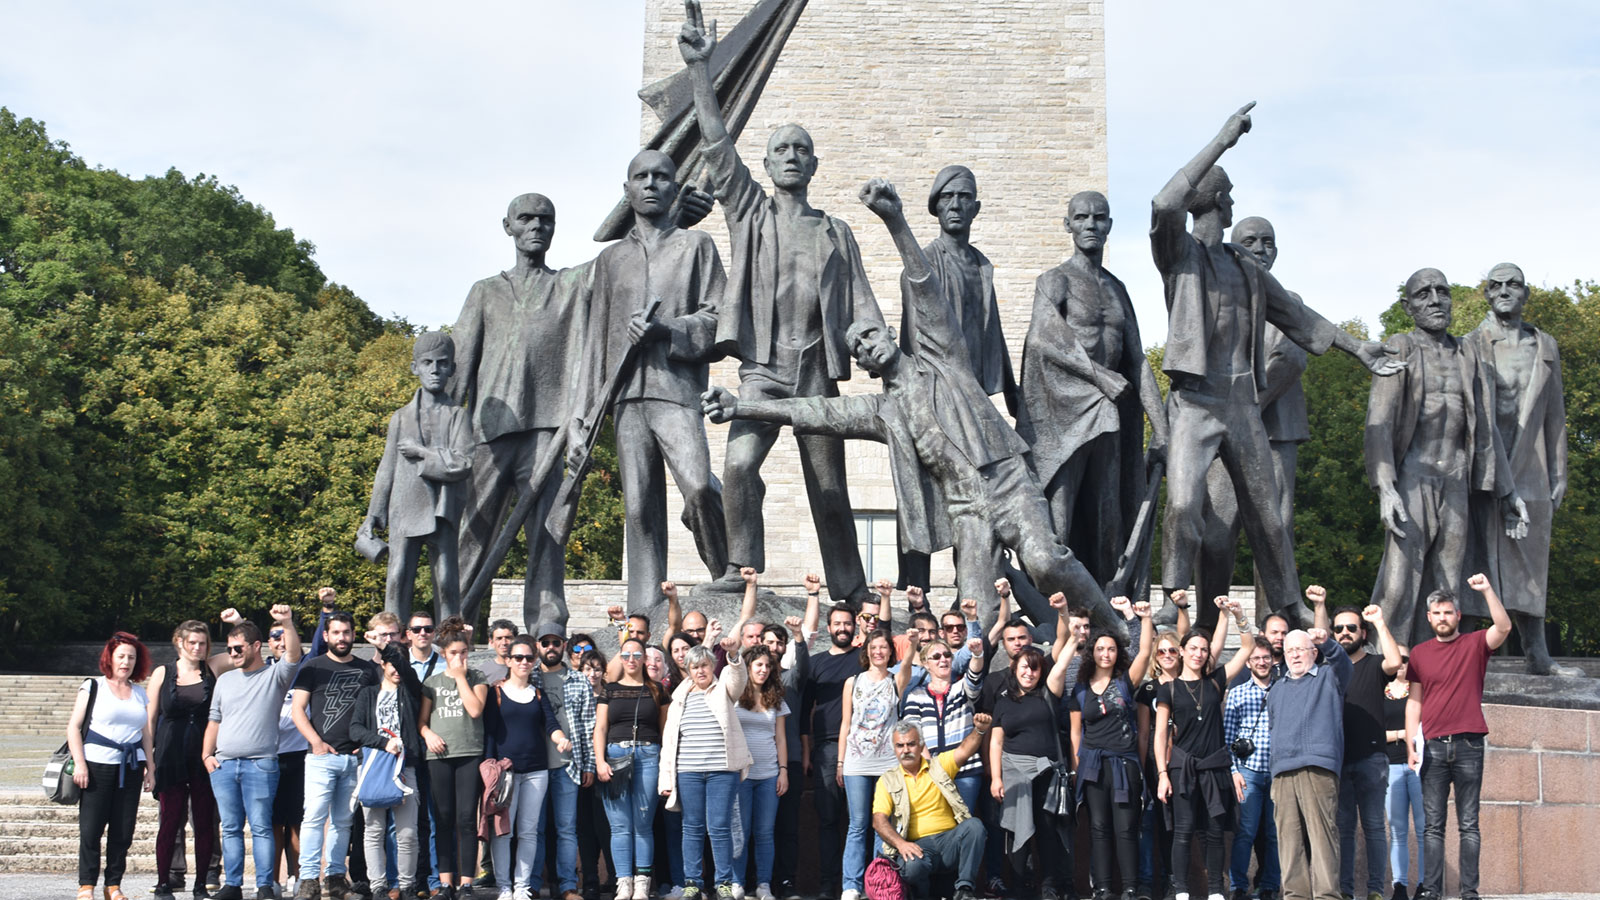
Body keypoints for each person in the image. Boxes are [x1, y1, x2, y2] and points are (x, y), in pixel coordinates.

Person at [702, 178, 1117, 636]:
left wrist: (895, 220)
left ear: (889, 336)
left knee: (1044, 559)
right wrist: (740, 407)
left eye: (871, 335)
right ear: (861, 362)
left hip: (1007, 482)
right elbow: (811, 411)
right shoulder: (884, 411)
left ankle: (1114, 629)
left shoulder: (944, 359)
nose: (867, 345)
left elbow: (925, 287)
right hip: (968, 510)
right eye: (859, 346)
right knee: (973, 610)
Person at [1151, 102, 1405, 630]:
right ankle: (1175, 592)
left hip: (1241, 402)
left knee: (1269, 518)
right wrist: (1221, 140)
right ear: (1215, 199)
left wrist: (1358, 349)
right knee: (1181, 504)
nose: (1233, 199)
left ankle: (1287, 606)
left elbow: (1296, 314)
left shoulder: (1243, 266)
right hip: (1195, 401)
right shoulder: (1180, 255)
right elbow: (1163, 201)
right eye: (1229, 194)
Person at [679, 0, 879, 606]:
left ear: (813, 164)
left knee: (830, 490)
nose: (791, 156)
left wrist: (877, 344)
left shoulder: (835, 231)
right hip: (762, 373)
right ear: (765, 165)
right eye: (781, 150)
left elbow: (862, 303)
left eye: (801, 149)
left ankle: (850, 589)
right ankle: (742, 571)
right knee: (739, 467)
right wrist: (699, 72)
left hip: (817, 372)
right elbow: (715, 144)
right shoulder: (750, 211)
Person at [574, 148, 728, 609]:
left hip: (676, 390)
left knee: (699, 485)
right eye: (640, 177)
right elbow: (592, 342)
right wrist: (582, 419)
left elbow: (719, 317)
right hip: (626, 397)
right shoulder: (611, 261)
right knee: (639, 508)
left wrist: (668, 329)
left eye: (661, 177)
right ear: (627, 191)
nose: (651, 184)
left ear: (674, 187)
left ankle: (725, 569)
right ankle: (643, 608)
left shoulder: (695, 247)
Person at [1019, 189, 1168, 589]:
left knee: (1110, 515)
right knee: (1059, 516)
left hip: (1110, 413)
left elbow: (1136, 361)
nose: (1090, 225)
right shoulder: (1055, 280)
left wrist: (1162, 428)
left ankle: (1107, 606)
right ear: (1068, 225)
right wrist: (1099, 377)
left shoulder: (1118, 290)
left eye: (1098, 218)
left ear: (1109, 227)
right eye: (1081, 217)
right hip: (1065, 413)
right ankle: (1052, 608)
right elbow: (1041, 339)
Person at [1366, 267, 1519, 645]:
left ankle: (1441, 659)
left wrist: (1509, 491)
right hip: (1413, 475)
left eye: (1442, 291)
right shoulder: (1401, 346)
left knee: (1450, 581)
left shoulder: (1468, 353)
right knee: (1400, 579)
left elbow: (1487, 428)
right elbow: (1379, 423)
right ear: (1408, 305)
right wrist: (1386, 487)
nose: (1435, 300)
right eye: (1424, 294)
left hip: (1456, 478)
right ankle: (1382, 658)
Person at [1195, 216, 1309, 633]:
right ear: (1233, 249)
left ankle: (1274, 623)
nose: (1260, 249)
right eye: (1249, 241)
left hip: (1276, 433)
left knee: (1275, 531)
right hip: (1223, 437)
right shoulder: (1217, 301)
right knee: (1216, 533)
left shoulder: (1288, 302)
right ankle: (1207, 624)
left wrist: (1243, 410)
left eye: (1267, 242)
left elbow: (1291, 360)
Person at [1463, 262, 1576, 675]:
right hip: (1484, 465)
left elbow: (1555, 415)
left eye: (1515, 284)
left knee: (1530, 559)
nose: (1506, 291)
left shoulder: (1544, 346)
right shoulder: (1471, 344)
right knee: (1477, 559)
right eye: (1497, 285)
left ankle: (1537, 654)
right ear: (1487, 293)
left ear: (1526, 293)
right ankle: (1470, 655)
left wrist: (1560, 472)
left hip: (1531, 466)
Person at [1405, 574, 1511, 900]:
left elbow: (1504, 628)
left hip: (1468, 744)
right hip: (1433, 747)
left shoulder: (1475, 644)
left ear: (1457, 616)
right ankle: (1431, 891)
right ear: (1429, 617)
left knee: (1469, 824)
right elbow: (1414, 701)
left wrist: (1487, 590)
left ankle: (1470, 892)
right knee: (1433, 826)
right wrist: (1411, 744)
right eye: (1437, 613)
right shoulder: (1420, 653)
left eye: (1447, 612)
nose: (1442, 618)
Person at [358, 330, 474, 622]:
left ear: (453, 369)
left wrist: (422, 452)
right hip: (405, 507)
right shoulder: (401, 417)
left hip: (443, 509)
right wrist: (374, 514)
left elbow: (463, 463)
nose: (435, 369)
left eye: (442, 363)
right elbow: (387, 467)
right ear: (415, 368)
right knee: (397, 578)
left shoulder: (458, 416)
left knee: (447, 582)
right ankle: (391, 640)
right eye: (427, 362)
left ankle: (451, 641)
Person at [1154, 598, 1251, 900]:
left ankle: (1214, 891)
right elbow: (1159, 735)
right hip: (1183, 768)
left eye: (1203, 649)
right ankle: (1181, 890)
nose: (1198, 654)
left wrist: (1238, 616)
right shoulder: (1167, 688)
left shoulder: (1216, 682)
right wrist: (1162, 774)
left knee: (1214, 830)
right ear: (1181, 651)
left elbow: (1246, 648)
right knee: (1183, 831)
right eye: (1192, 648)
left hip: (1214, 767)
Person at [204, 607, 304, 900]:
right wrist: (207, 756)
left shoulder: (275, 676)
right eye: (230, 648)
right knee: (231, 828)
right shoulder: (225, 680)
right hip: (223, 765)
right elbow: (214, 719)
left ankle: (264, 886)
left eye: (238, 648)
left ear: (256, 646)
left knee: (261, 827)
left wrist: (286, 622)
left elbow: (294, 655)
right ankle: (233, 885)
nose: (232, 653)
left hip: (260, 764)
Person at [1069, 597, 1156, 900]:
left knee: (1125, 828)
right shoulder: (1079, 689)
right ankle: (1104, 888)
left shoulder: (1125, 682)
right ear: (1091, 653)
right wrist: (1077, 769)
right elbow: (1075, 733)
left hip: (1124, 763)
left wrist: (1145, 618)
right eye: (1100, 648)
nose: (1106, 654)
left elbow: (1145, 651)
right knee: (1098, 828)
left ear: (1117, 653)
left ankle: (1130, 888)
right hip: (1092, 765)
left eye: (1111, 648)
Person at [1316, 600, 1402, 900]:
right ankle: (1346, 892)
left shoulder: (1375, 664)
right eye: (1338, 628)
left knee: (1375, 826)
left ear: (1362, 633)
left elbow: (1395, 661)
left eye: (1351, 628)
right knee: (1344, 830)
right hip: (1337, 760)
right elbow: (1317, 637)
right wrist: (1319, 606)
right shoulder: (1328, 671)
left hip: (1372, 758)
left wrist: (1379, 621)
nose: (1344, 633)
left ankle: (1377, 891)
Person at [292, 612, 381, 900]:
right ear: (326, 636)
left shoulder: (368, 670)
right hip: (321, 757)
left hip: (354, 759)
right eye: (336, 633)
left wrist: (366, 743)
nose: (342, 638)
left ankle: (335, 878)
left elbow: (375, 711)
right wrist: (316, 742)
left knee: (343, 822)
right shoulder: (312, 667)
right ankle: (307, 880)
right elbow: (297, 710)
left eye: (346, 632)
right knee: (314, 818)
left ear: (354, 635)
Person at [989, 621, 1079, 900]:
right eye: (1024, 668)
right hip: (1014, 773)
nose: (1029, 672)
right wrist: (996, 778)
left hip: (1046, 772)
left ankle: (1049, 886)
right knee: (1017, 832)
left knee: (1047, 830)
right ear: (1014, 671)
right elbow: (996, 741)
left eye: (1035, 667)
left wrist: (1074, 637)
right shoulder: (1003, 701)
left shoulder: (1048, 694)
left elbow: (1062, 663)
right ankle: (1018, 887)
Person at [660, 626, 751, 900]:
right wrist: (666, 780)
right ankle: (692, 882)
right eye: (695, 666)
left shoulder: (723, 689)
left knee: (720, 827)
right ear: (687, 669)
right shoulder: (679, 697)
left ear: (713, 666)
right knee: (692, 827)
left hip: (722, 770)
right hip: (688, 772)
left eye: (704, 665)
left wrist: (734, 654)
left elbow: (738, 678)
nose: (700, 671)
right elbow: (669, 743)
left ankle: (723, 882)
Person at [1265, 620, 1353, 900]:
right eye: (1289, 650)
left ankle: (1327, 895)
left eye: (1301, 649)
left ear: (1314, 653)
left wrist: (1327, 641)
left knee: (1322, 836)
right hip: (1282, 771)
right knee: (1288, 841)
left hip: (1317, 766)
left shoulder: (1329, 676)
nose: (1294, 655)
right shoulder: (1276, 688)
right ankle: (1295, 895)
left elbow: (1345, 664)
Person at [146, 621, 232, 900]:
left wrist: (238, 622)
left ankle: (200, 886)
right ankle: (163, 884)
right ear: (179, 642)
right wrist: (150, 764)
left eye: (203, 643)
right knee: (170, 822)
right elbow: (148, 723)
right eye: (192, 642)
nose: (197, 648)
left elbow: (247, 648)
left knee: (205, 822)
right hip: (169, 757)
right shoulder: (163, 672)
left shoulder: (213, 667)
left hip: (203, 758)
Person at [482, 635, 572, 900]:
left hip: (536, 771)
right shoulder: (495, 692)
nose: (524, 662)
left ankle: (521, 887)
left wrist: (560, 740)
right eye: (518, 657)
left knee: (529, 831)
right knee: (503, 832)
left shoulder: (539, 693)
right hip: (505, 773)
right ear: (508, 661)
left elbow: (551, 725)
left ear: (534, 661)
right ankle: (504, 887)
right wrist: (488, 768)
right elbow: (489, 733)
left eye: (529, 657)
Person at [871, 714, 995, 900]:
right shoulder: (887, 780)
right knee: (912, 867)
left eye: (911, 744)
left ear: (921, 746)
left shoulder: (939, 766)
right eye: (900, 745)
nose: (906, 750)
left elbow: (964, 750)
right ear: (894, 749)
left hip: (949, 841)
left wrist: (979, 730)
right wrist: (901, 844)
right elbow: (878, 820)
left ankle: (964, 890)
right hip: (917, 846)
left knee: (974, 826)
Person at [69, 632, 155, 900]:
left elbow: (146, 733)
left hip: (130, 767)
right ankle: (86, 885)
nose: (126, 662)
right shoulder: (93, 686)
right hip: (97, 765)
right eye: (121, 656)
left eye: (131, 657)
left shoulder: (140, 693)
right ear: (110, 657)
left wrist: (150, 767)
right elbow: (73, 727)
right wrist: (80, 764)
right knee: (91, 829)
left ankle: (113, 885)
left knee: (123, 830)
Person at [349, 639, 427, 900]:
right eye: (390, 664)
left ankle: (406, 886)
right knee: (373, 830)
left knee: (407, 832)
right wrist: (384, 743)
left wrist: (395, 651)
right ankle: (378, 886)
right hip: (374, 766)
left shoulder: (410, 691)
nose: (396, 669)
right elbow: (356, 729)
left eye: (400, 664)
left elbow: (410, 675)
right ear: (381, 665)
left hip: (406, 768)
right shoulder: (368, 693)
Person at [839, 630, 912, 900]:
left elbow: (907, 665)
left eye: (884, 647)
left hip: (886, 764)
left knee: (883, 824)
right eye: (874, 646)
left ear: (890, 652)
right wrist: (840, 761)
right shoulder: (853, 682)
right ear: (867, 650)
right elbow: (846, 723)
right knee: (857, 824)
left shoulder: (896, 681)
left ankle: (879, 884)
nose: (878, 651)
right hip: (856, 762)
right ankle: (851, 885)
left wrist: (913, 644)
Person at [595, 638, 670, 900]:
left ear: (644, 659)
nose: (631, 659)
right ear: (620, 657)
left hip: (649, 754)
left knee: (643, 824)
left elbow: (666, 730)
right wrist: (599, 761)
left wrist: (667, 766)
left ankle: (642, 882)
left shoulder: (657, 690)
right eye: (626, 654)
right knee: (619, 826)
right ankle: (623, 881)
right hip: (615, 755)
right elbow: (601, 728)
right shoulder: (610, 690)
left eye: (637, 654)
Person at [420, 623, 489, 900]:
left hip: (469, 753)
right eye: (453, 653)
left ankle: (467, 884)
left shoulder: (477, 676)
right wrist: (428, 735)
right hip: (439, 755)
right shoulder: (431, 684)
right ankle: (446, 883)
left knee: (466, 820)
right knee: (443, 818)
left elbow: (474, 710)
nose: (459, 657)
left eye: (463, 652)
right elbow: (421, 722)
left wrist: (461, 678)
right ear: (443, 654)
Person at [529, 622, 597, 900]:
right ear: (538, 647)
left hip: (568, 765)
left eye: (556, 643)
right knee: (534, 829)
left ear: (564, 646)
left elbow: (588, 725)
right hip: (534, 765)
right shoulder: (529, 678)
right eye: (545, 643)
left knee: (567, 829)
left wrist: (589, 764)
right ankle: (531, 885)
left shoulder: (579, 680)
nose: (551, 648)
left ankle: (568, 885)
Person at [799, 603, 864, 898]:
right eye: (837, 623)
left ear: (855, 627)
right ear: (829, 628)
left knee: (862, 820)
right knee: (827, 820)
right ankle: (828, 885)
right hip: (825, 747)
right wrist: (807, 750)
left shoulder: (863, 659)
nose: (842, 628)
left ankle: (862, 884)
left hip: (863, 746)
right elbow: (804, 710)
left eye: (847, 623)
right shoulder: (816, 663)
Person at [898, 636, 986, 813]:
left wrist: (977, 655)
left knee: (963, 823)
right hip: (931, 772)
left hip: (965, 769)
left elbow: (974, 678)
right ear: (925, 663)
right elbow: (914, 735)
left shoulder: (961, 688)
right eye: (936, 657)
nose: (943, 659)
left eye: (947, 655)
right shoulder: (916, 695)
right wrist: (932, 769)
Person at [732, 644, 790, 900]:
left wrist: (783, 771)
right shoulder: (733, 696)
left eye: (768, 666)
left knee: (765, 832)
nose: (764, 670)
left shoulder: (776, 698)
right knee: (740, 831)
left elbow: (780, 739)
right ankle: (737, 883)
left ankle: (764, 884)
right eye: (759, 665)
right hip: (740, 775)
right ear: (748, 667)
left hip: (768, 774)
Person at [1223, 635, 1279, 900]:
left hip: (1279, 772)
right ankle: (1237, 886)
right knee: (1245, 832)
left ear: (1273, 659)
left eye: (1265, 657)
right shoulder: (1237, 693)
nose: (1261, 662)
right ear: (1248, 662)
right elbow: (1228, 737)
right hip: (1248, 771)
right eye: (1255, 658)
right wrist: (1234, 771)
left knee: (1274, 833)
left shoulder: (1283, 688)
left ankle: (1269, 885)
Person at [1136, 628, 1185, 900]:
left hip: (1184, 761)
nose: (1167, 655)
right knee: (1152, 822)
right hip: (1156, 762)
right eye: (1162, 651)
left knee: (1179, 824)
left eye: (1172, 650)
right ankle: (1149, 882)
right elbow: (1144, 732)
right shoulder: (1149, 689)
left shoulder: (1191, 683)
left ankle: (1175, 880)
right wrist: (1144, 769)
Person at [575, 649, 613, 900]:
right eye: (587, 669)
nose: (592, 673)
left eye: (597, 668)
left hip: (608, 768)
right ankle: (589, 879)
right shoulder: (576, 693)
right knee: (584, 828)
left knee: (608, 827)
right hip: (581, 770)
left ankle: (614, 877)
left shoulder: (610, 694)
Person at [1383, 654, 1423, 900]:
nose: (1400, 663)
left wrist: (1403, 734)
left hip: (1418, 765)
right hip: (1391, 765)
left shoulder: (1419, 692)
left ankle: (1424, 884)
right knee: (1397, 830)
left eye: (1405, 658)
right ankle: (1399, 885)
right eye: (1395, 658)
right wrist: (1402, 732)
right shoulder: (1380, 691)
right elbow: (1373, 729)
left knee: (1424, 829)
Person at [481, 620, 519, 684]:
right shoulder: (482, 671)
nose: (504, 643)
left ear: (516, 640)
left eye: (508, 638)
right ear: (491, 642)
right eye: (499, 638)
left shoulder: (525, 667)